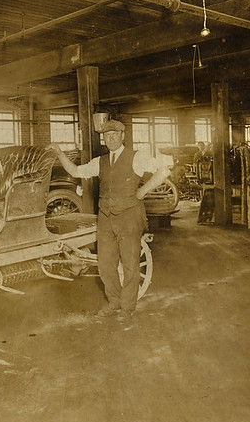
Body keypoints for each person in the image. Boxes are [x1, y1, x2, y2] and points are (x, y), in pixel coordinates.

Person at [50, 119, 170, 318]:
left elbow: (164, 170)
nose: (111, 138)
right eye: (107, 135)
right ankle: (114, 301)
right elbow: (76, 171)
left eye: (115, 135)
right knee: (105, 264)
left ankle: (127, 306)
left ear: (123, 136)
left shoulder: (136, 157)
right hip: (105, 218)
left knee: (130, 263)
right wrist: (60, 153)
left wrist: (142, 191)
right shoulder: (100, 161)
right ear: (103, 139)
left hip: (130, 217)